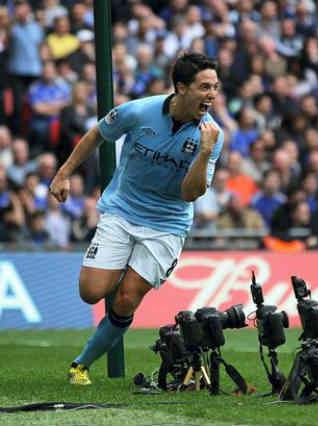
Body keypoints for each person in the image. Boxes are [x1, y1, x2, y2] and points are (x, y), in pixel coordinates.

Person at [48, 52, 224, 385]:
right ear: (181, 88)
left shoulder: (212, 136)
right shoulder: (139, 111)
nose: (211, 95)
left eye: (215, 87)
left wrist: (203, 153)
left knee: (127, 298)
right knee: (91, 291)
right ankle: (118, 270)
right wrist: (64, 174)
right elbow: (97, 133)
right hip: (122, 210)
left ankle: (80, 365)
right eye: (204, 87)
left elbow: (190, 193)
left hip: (167, 225)